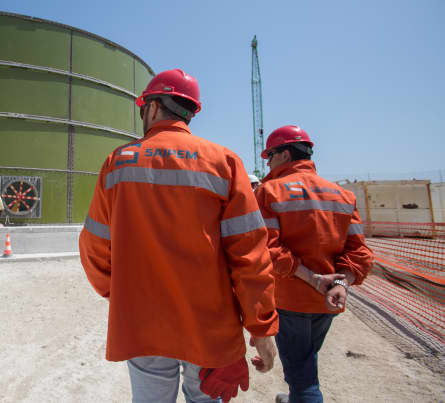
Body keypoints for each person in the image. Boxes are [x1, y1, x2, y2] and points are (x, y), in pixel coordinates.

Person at [79, 68, 279, 403]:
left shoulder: (118, 163)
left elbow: (94, 244)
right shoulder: (224, 162)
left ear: (153, 107)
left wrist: (118, 292)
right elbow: (250, 254)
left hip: (142, 321)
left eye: (142, 110)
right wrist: (260, 327)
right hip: (209, 326)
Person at [254, 125, 374, 403]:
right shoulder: (341, 195)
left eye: (269, 156)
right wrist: (341, 283)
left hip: (290, 300)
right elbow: (360, 253)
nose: (268, 163)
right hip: (328, 301)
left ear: (284, 154)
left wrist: (312, 278)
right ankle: (296, 394)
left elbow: (268, 249)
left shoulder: (270, 192)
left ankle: (302, 394)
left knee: (303, 374)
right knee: (305, 359)